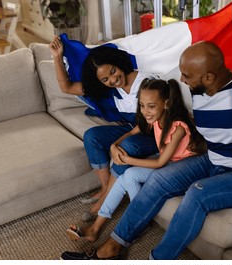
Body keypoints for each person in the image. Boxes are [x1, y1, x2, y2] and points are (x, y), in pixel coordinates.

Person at [60, 0, 232, 260]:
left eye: (186, 75)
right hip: (215, 161)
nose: (182, 80)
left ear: (209, 77)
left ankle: (158, 262)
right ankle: (112, 247)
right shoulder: (198, 91)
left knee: (198, 194)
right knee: (159, 180)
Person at [65, 78, 206, 242]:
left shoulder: (178, 128)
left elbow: (160, 163)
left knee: (130, 174)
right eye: (142, 105)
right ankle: (95, 228)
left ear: (166, 104)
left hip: (182, 171)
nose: (145, 111)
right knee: (126, 177)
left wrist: (126, 159)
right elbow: (132, 133)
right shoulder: (154, 120)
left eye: (151, 106)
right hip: (169, 165)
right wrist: (114, 145)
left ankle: (137, 222)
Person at [49, 37, 159, 220]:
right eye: (105, 79)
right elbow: (67, 87)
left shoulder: (144, 81)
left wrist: (117, 143)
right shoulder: (110, 88)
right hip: (133, 129)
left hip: (153, 135)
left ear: (118, 62)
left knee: (127, 144)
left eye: (113, 71)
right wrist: (57, 58)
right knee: (92, 136)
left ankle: (106, 197)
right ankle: (105, 187)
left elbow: (150, 122)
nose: (114, 79)